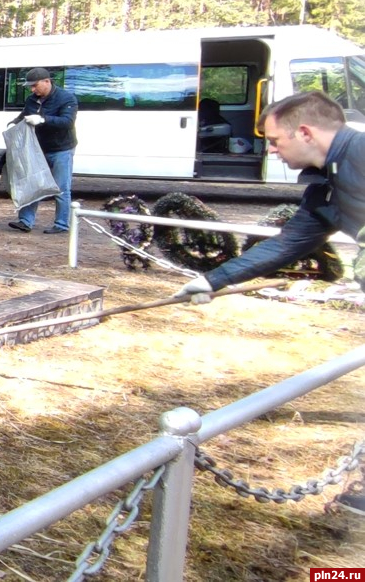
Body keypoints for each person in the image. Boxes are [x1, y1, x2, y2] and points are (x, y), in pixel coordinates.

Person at [173, 91, 365, 516]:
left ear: (306, 132)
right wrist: (213, 279)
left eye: (276, 140)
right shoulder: (328, 179)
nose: (272, 150)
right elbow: (290, 244)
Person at [7, 66, 78, 234]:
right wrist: (14, 123)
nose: (32, 90)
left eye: (35, 85)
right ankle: (25, 221)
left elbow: (67, 122)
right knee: (33, 185)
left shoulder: (66, 98)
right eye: (30, 86)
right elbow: (23, 116)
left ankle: (61, 224)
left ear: (47, 82)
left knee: (61, 187)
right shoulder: (32, 100)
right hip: (38, 149)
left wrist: (43, 120)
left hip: (62, 149)